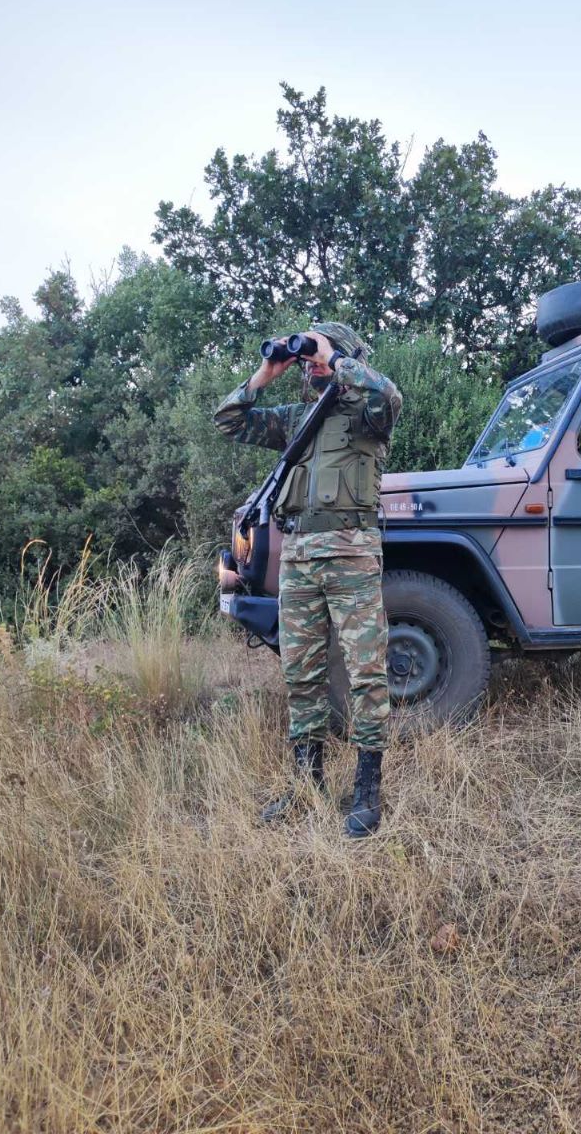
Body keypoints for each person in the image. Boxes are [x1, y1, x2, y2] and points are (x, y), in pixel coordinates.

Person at [213, 322, 402, 838]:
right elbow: (228, 421)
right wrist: (268, 370)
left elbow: (388, 392)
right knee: (301, 672)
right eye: (306, 354)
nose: (308, 361)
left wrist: (331, 357)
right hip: (297, 558)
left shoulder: (368, 415)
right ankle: (306, 781)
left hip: (351, 555)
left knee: (366, 672)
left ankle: (367, 788)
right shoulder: (297, 418)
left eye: (316, 351)